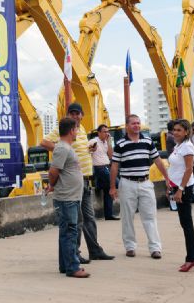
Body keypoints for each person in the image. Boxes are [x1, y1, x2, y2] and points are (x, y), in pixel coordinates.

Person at [41, 103, 114, 263]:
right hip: (73, 182)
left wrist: (89, 149)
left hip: (86, 180)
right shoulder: (65, 131)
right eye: (71, 113)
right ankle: (75, 253)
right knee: (76, 221)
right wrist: (62, 148)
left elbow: (79, 150)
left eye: (77, 113)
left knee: (89, 218)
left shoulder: (81, 130)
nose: (74, 116)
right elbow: (44, 142)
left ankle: (94, 250)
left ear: (82, 115)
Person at [110, 114, 170, 259]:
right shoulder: (120, 145)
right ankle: (130, 247)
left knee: (150, 216)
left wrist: (167, 178)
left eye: (138, 123)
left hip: (145, 183)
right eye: (133, 123)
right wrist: (112, 187)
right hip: (127, 183)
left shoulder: (148, 142)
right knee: (127, 217)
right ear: (127, 126)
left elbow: (158, 161)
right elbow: (114, 167)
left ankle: (155, 248)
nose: (136, 126)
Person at [47, 117, 89, 278]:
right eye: (76, 129)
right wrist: (51, 184)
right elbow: (53, 171)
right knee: (71, 231)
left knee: (66, 231)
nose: (77, 132)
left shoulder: (66, 148)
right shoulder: (62, 148)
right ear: (72, 130)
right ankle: (72, 267)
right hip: (66, 198)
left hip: (70, 197)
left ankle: (65, 265)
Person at [168, 119, 194, 272]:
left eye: (179, 130)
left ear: (186, 132)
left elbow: (189, 169)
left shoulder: (187, 146)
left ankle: (192, 258)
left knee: (187, 225)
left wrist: (180, 189)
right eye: (174, 130)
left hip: (184, 189)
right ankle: (192, 257)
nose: (175, 132)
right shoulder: (178, 146)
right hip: (177, 187)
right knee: (185, 224)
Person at [89, 124, 118, 220]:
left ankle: (108, 215)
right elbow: (88, 151)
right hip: (99, 168)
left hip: (106, 166)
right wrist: (92, 149)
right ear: (99, 133)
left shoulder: (106, 142)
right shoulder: (94, 141)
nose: (107, 133)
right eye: (104, 131)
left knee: (108, 190)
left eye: (107, 131)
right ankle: (99, 185)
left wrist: (109, 142)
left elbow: (111, 156)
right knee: (117, 183)